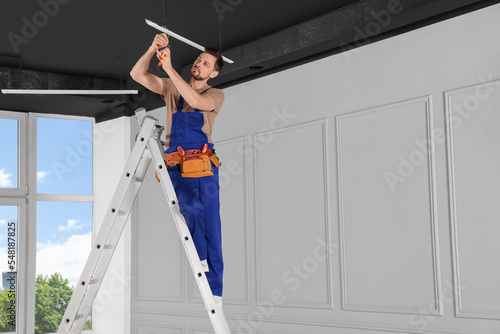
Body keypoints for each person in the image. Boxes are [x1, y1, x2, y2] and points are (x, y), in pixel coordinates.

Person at [130, 33, 225, 306]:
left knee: (212, 228)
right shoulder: (171, 87)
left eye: (206, 64)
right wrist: (152, 48)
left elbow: (196, 102)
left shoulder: (216, 95)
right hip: (176, 166)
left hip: (205, 168)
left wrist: (170, 68)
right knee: (191, 209)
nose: (198, 64)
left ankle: (215, 292)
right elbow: (137, 74)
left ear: (213, 73)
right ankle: (201, 260)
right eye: (198, 60)